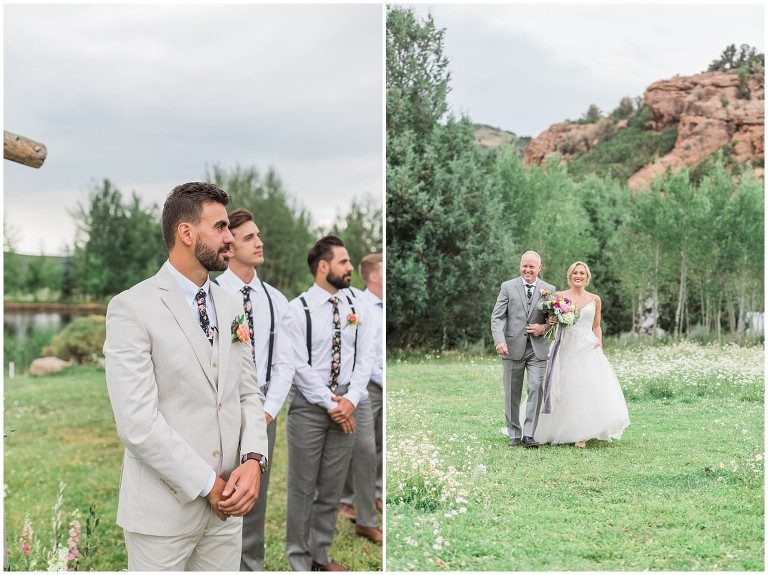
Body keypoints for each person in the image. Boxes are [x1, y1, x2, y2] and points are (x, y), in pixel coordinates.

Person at [103, 182, 269, 571]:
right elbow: (137, 424)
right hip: (163, 515)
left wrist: (253, 459)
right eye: (221, 228)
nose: (230, 239)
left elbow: (248, 392)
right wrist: (209, 485)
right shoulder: (131, 307)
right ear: (186, 232)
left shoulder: (230, 305)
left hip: (226, 514)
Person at [285, 236, 375, 571]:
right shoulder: (298, 310)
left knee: (332, 487)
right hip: (310, 408)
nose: (351, 268)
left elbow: (366, 355)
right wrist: (330, 402)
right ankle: (298, 560)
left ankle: (320, 555)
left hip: (347, 404)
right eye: (343, 262)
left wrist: (350, 400)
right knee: (302, 487)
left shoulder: (358, 306)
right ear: (323, 267)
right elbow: (297, 365)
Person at [216, 207, 295, 571]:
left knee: (255, 497)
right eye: (249, 237)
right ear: (229, 246)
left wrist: (266, 412)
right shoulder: (211, 295)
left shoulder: (276, 301)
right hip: (218, 407)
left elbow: (284, 363)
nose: (259, 242)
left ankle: (252, 566)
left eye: (259, 235)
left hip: (264, 409)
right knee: (217, 491)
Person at [533, 261, 630, 447]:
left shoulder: (595, 299)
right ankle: (554, 429)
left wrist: (599, 340)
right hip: (565, 345)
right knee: (564, 386)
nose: (578, 276)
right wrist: (551, 319)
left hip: (587, 347)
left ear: (587, 277)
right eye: (575, 273)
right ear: (570, 276)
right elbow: (549, 319)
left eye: (582, 273)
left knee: (584, 388)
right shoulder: (559, 296)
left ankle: (581, 433)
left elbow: (596, 326)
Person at [338, 253, 383, 544]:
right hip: (366, 386)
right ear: (374, 276)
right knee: (359, 448)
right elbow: (359, 353)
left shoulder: (383, 307)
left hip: (380, 383)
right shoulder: (359, 306)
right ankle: (346, 499)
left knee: (376, 446)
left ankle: (374, 494)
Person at [490, 251, 556, 448]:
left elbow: (553, 320)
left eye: (532, 267)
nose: (527, 270)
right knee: (512, 391)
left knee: (536, 387)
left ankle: (529, 434)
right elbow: (497, 317)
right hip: (511, 348)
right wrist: (499, 340)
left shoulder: (549, 289)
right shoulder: (507, 287)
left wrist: (542, 328)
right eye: (524, 266)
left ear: (539, 268)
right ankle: (514, 434)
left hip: (538, 350)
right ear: (521, 266)